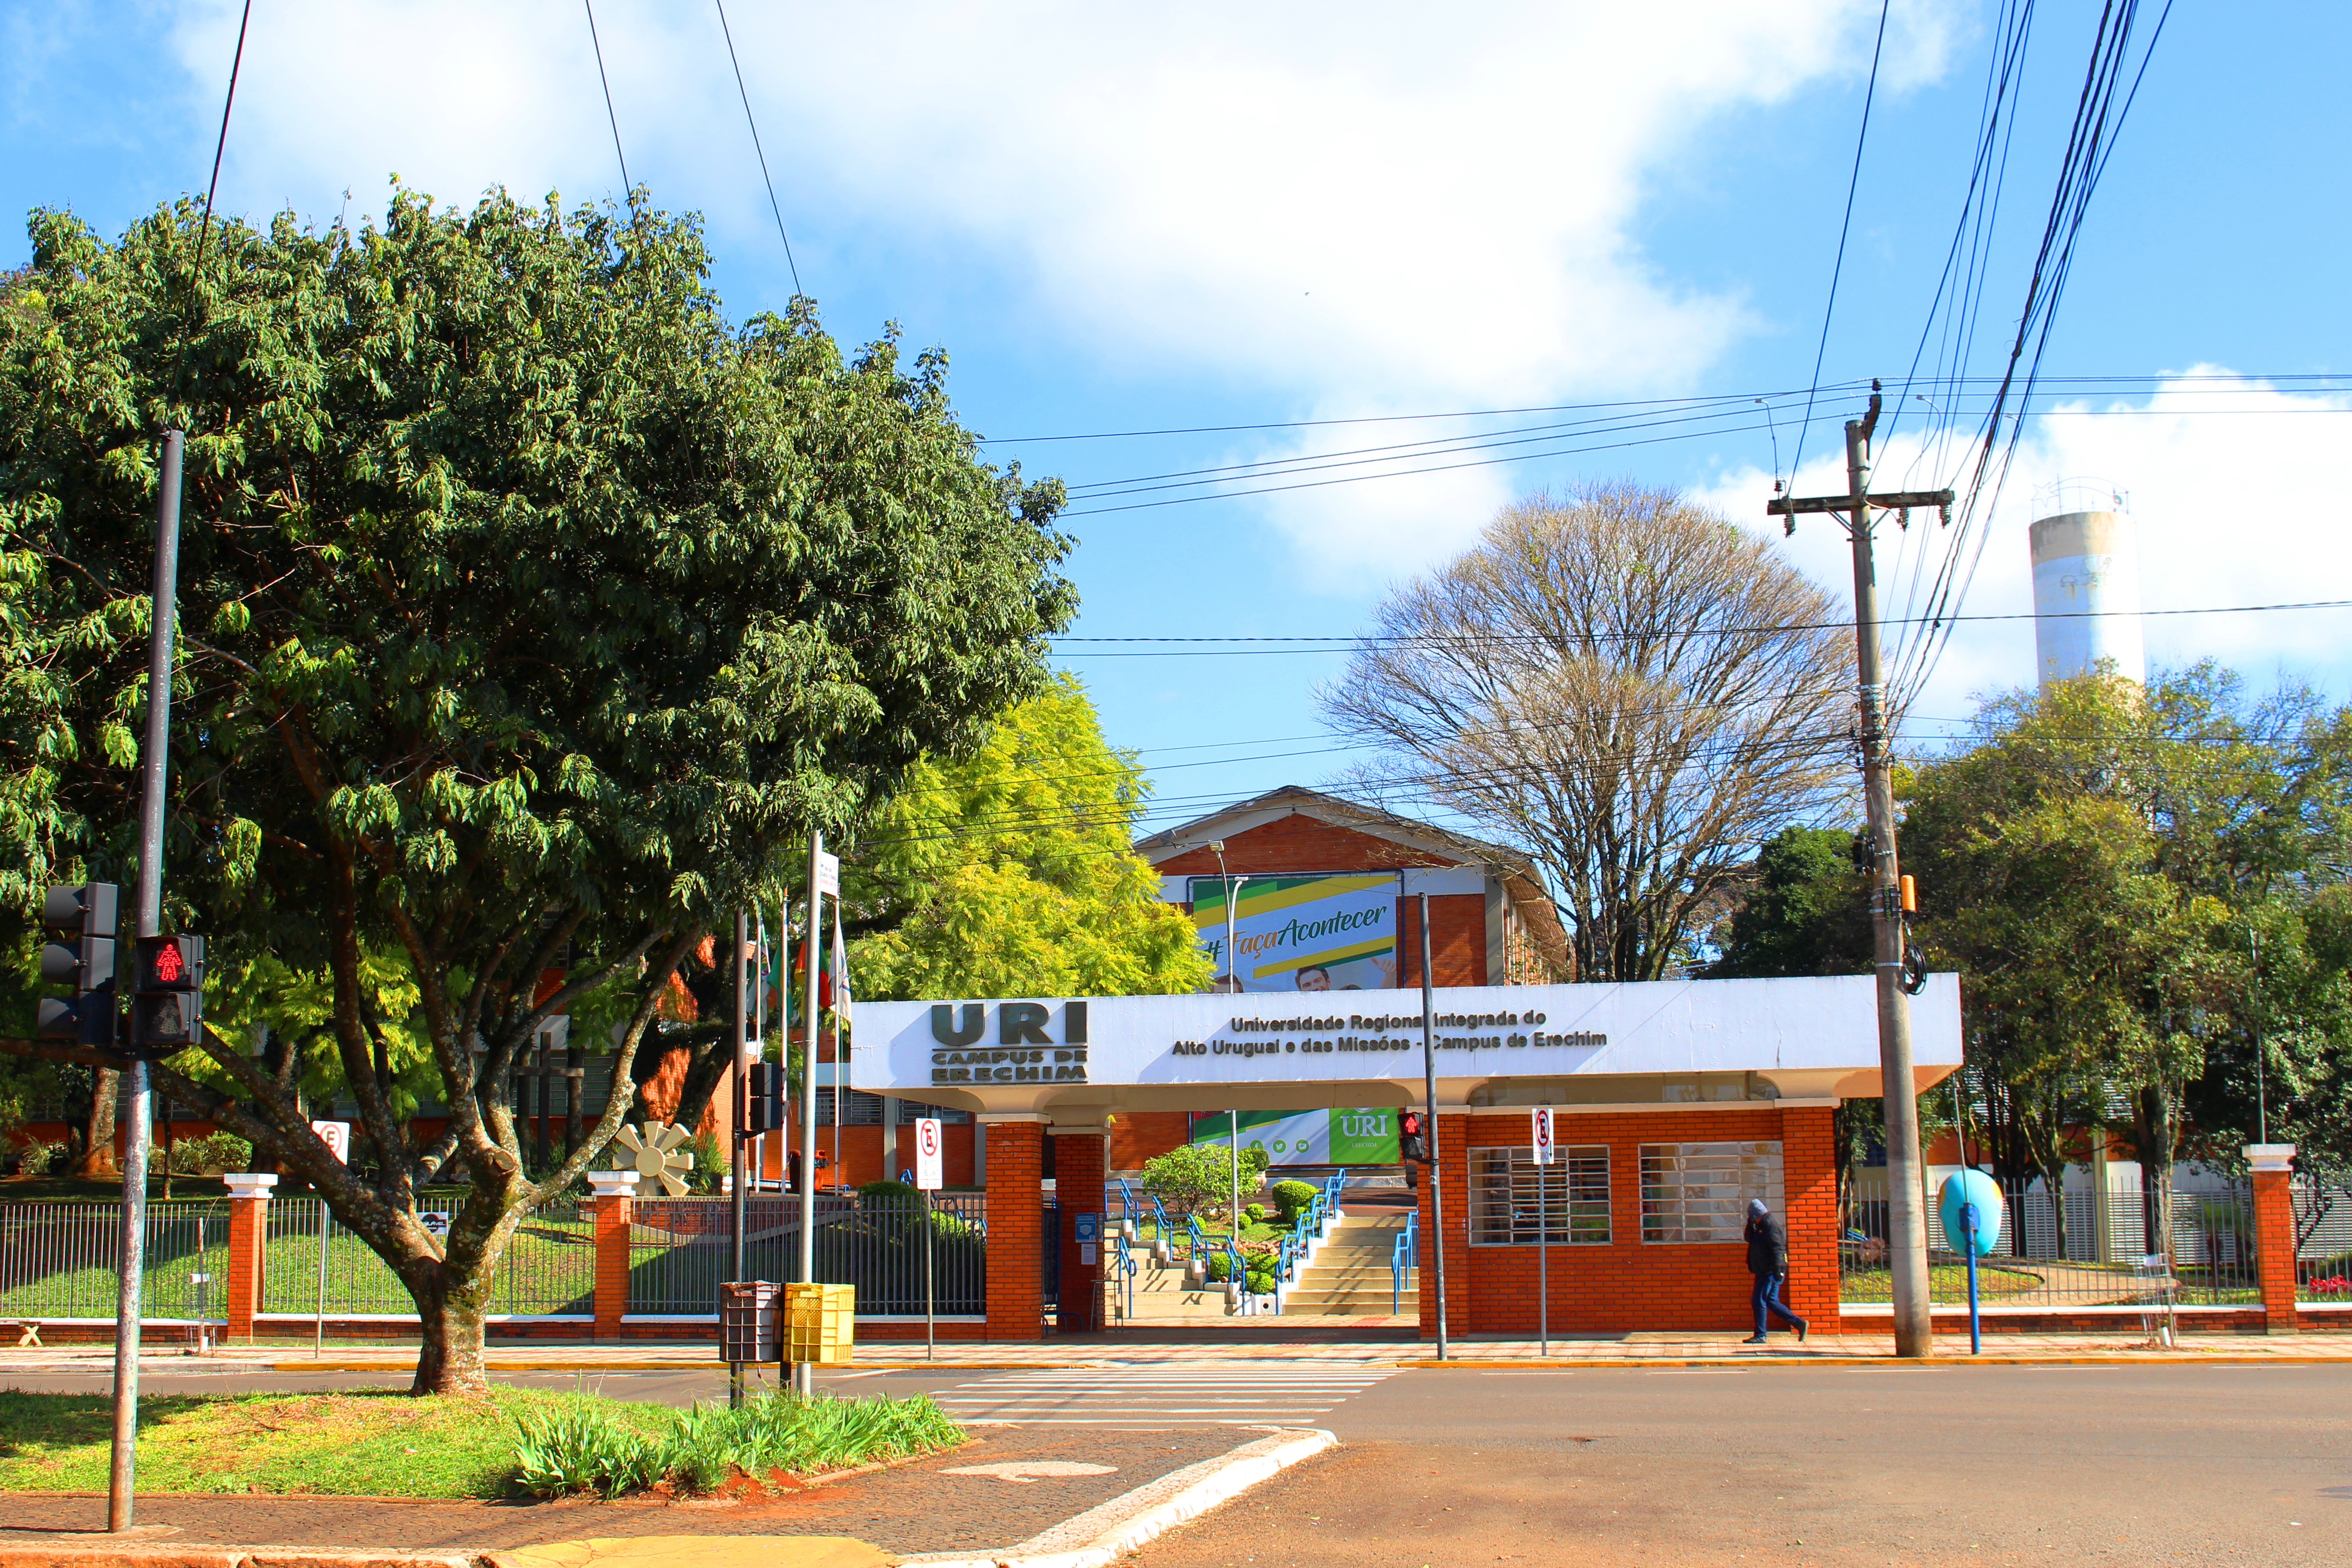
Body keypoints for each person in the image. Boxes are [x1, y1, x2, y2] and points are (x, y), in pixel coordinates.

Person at [1743, 1197, 1807, 1344]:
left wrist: (1778, 1269)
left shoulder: (1770, 1226)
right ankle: (1799, 1323)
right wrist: (1751, 1224)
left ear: (1758, 1215)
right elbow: (1749, 1239)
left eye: (1752, 1217)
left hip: (1771, 1271)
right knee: (1771, 1301)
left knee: (1758, 1301)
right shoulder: (1760, 1226)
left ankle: (1761, 1335)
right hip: (1765, 1270)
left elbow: (1778, 1248)